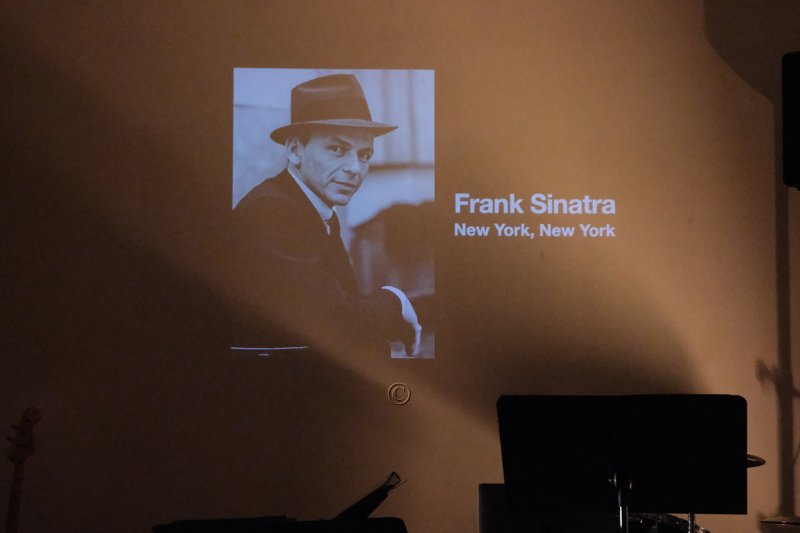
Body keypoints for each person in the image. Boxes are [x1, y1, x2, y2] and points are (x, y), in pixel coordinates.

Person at [232, 74, 421, 357]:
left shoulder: (309, 207)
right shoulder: (273, 210)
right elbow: (337, 322)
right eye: (337, 149)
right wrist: (396, 301)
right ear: (295, 150)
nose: (354, 169)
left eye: (364, 155)